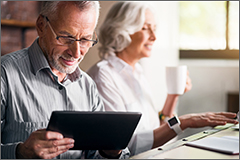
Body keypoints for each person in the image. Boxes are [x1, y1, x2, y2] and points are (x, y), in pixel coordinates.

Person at [87, 1, 238, 156]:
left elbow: (156, 128)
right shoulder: (103, 76)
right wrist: (185, 122)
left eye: (154, 29)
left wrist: (173, 95)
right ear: (122, 30)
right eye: (145, 28)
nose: (154, 37)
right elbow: (123, 145)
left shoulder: (137, 71)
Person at [1, 1, 129, 159]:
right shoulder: (4, 75)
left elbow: (93, 155)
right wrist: (20, 152)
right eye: (66, 38)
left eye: (85, 40)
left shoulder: (88, 86)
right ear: (41, 26)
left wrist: (111, 153)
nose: (76, 53)